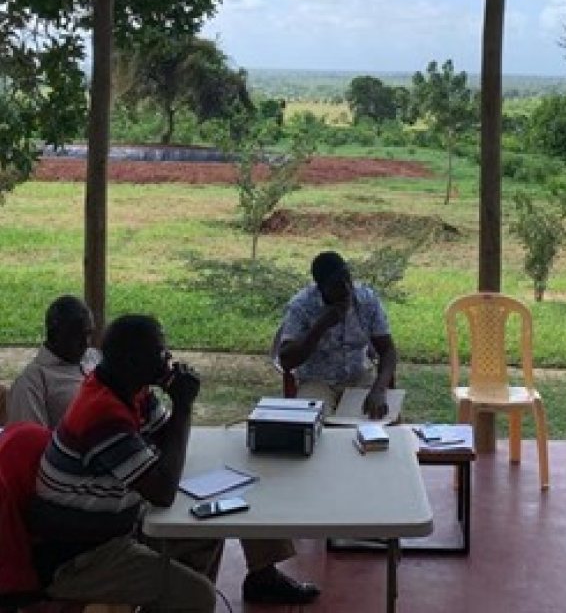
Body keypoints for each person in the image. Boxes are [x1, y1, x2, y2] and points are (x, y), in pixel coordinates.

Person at [29, 314, 320, 611]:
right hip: (80, 556)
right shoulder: (102, 414)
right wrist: (183, 404)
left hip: (115, 530)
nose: (167, 357)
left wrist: (179, 403)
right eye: (159, 352)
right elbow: (163, 491)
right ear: (132, 361)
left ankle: (175, 596)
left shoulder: (128, 387)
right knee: (199, 597)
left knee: (208, 533)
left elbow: (165, 439)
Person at [278, 250, 398, 418]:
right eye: (336, 284)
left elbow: (388, 351)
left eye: (347, 278)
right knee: (314, 424)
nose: (346, 288)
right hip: (317, 381)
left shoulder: (366, 300)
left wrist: (378, 389)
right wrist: (321, 326)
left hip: (359, 377)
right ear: (321, 287)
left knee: (378, 421)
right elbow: (287, 361)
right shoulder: (302, 306)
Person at [7, 295, 96, 428]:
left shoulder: (94, 357)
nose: (86, 343)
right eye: (76, 336)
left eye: (88, 334)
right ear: (54, 334)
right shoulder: (33, 382)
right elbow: (30, 440)